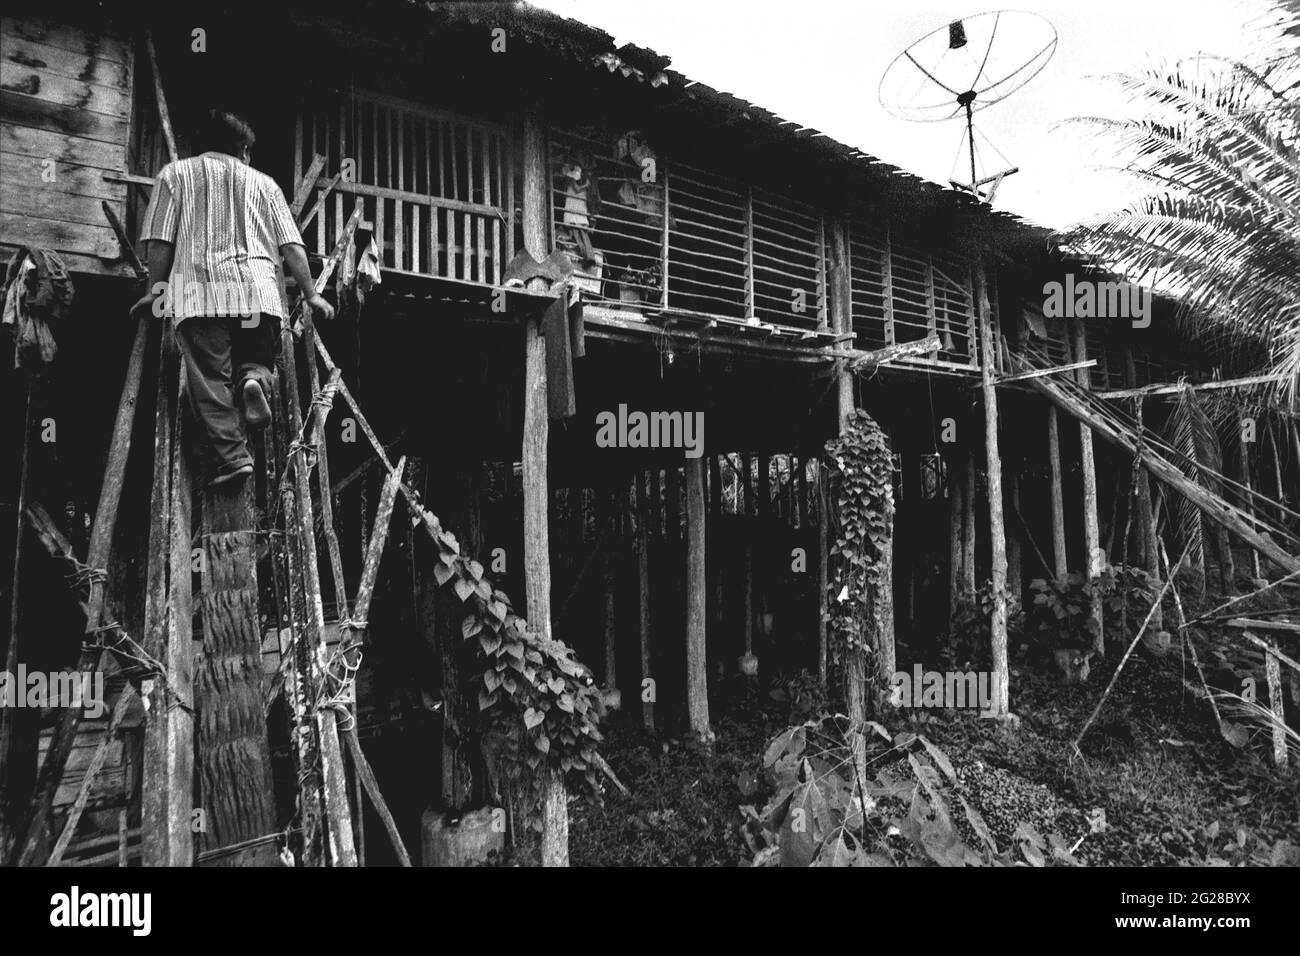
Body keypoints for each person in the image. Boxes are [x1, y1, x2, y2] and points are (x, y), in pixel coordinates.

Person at [131, 110, 334, 487]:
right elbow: (292, 246)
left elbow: (160, 240)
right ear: (242, 149)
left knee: (209, 380)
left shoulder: (174, 175)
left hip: (202, 295)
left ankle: (233, 458)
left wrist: (154, 292)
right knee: (257, 358)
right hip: (259, 297)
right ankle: (252, 380)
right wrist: (312, 294)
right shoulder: (265, 184)